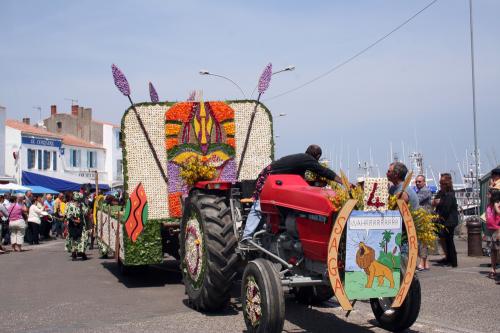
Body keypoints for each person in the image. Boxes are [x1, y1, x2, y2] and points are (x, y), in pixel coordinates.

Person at [241, 144, 347, 242]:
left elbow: (300, 183)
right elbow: (324, 171)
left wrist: (316, 183)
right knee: (259, 207)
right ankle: (246, 238)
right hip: (269, 177)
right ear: (318, 156)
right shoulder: (307, 159)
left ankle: (266, 235)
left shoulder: (301, 162)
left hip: (275, 179)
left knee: (274, 210)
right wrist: (343, 181)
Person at [432, 173, 459, 268]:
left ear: (446, 184)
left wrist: (439, 216)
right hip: (446, 220)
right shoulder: (443, 193)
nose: (440, 185)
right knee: (446, 241)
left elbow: (446, 209)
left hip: (449, 221)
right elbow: (435, 201)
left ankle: (453, 262)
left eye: (442, 183)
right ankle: (448, 259)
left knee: (449, 241)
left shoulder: (449, 195)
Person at [415, 175, 432, 271]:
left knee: (422, 241)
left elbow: (416, 200)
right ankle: (425, 263)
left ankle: (422, 263)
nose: (417, 183)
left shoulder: (424, 191)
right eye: (416, 181)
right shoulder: (421, 191)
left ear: (424, 182)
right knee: (423, 240)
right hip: (423, 218)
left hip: (424, 218)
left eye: (419, 181)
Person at [65, 192, 89, 260]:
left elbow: (85, 213)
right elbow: (68, 215)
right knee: (76, 239)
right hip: (74, 225)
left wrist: (87, 205)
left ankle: (80, 253)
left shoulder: (81, 205)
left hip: (80, 225)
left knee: (81, 239)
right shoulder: (71, 205)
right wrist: (75, 220)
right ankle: (75, 254)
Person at [485, 182, 500, 281]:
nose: (487, 195)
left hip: (497, 229)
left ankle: (496, 269)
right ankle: (493, 268)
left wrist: (496, 207)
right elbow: (487, 217)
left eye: (489, 193)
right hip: (490, 229)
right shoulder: (488, 205)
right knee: (492, 250)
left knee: (498, 250)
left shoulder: (497, 204)